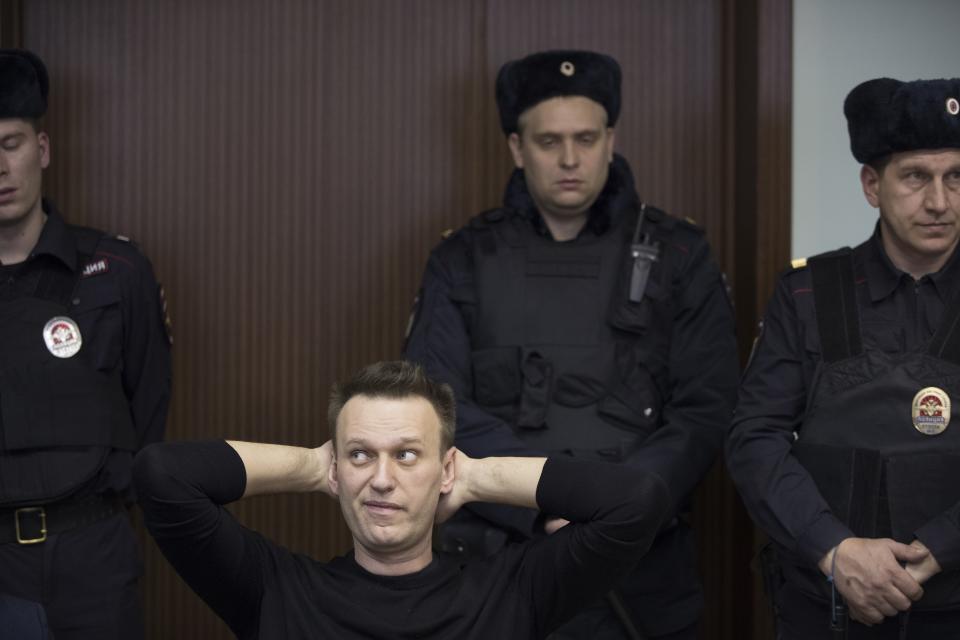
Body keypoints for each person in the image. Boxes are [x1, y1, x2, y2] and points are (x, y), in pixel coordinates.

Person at [402, 49, 739, 639]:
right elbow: (435, 406)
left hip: (640, 568)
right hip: (497, 566)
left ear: (611, 139)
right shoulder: (463, 258)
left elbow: (706, 410)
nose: (569, 159)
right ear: (516, 147)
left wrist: (615, 507)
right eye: (548, 141)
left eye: (585, 138)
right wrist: (546, 504)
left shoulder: (681, 256)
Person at [133, 360, 672, 639]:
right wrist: (315, 467)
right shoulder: (275, 591)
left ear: (445, 468)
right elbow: (162, 476)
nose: (383, 480)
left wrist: (474, 477)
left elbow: (636, 500)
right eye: (362, 455)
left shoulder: (512, 593)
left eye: (408, 455)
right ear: (337, 469)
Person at [727, 77, 960, 638]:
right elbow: (754, 438)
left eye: (956, 177)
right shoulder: (808, 294)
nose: (939, 201)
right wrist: (834, 549)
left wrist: (944, 545)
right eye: (915, 177)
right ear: (871, 185)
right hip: (827, 609)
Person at [0, 49, 172, 639]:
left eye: (10, 143)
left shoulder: (117, 269)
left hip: (95, 552)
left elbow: (149, 411)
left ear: (41, 149)